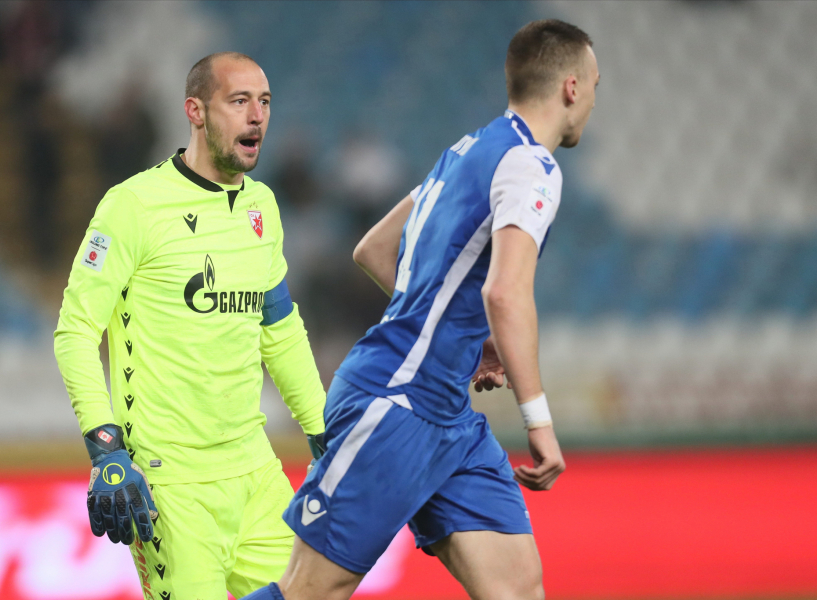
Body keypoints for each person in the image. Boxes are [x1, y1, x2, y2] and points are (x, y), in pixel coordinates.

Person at [240, 19, 600, 600]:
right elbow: (505, 293)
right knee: (311, 590)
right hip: (397, 401)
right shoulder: (532, 165)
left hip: (447, 413)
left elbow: (373, 249)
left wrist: (458, 336)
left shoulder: (466, 151)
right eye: (595, 85)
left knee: (517, 588)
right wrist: (539, 422)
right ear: (572, 87)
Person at [53, 52, 327, 600]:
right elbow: (76, 332)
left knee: (317, 592)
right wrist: (107, 450)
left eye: (265, 101)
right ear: (195, 111)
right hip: (169, 484)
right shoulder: (132, 207)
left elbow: (280, 328)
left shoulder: (263, 208)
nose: (257, 117)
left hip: (255, 469)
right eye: (239, 101)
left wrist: (324, 432)